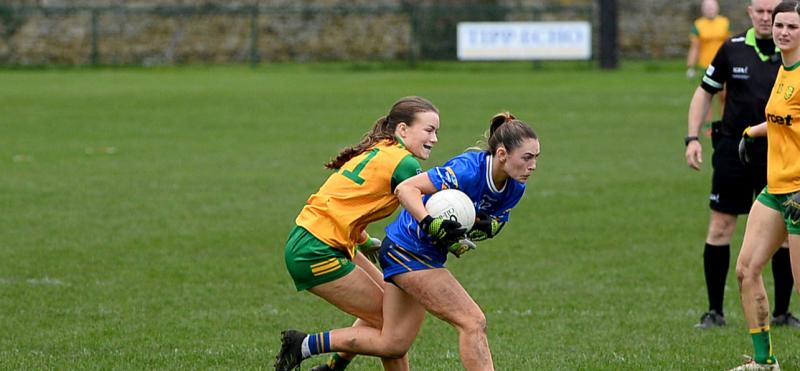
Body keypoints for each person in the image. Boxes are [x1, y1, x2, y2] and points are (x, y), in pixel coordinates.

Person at [274, 112, 539, 371]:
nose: (533, 165)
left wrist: (482, 227)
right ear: (502, 154)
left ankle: (313, 351)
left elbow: (495, 222)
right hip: (405, 250)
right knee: (472, 321)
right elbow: (405, 189)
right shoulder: (464, 169)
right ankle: (307, 346)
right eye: (527, 158)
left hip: (411, 252)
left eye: (536, 158)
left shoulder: (515, 187)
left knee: (393, 340)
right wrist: (431, 223)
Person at [279, 96, 441, 371]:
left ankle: (332, 368)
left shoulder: (382, 149)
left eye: (436, 131)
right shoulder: (405, 165)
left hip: (321, 238)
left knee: (389, 313)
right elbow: (431, 206)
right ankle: (304, 344)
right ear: (403, 129)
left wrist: (366, 242)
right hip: (316, 249)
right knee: (392, 328)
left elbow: (347, 199)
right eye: (429, 130)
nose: (434, 138)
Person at [685, 0, 798, 330]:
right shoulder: (737, 50)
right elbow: (706, 92)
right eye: (765, 15)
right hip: (742, 155)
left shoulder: (793, 60)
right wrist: (694, 137)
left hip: (789, 168)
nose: (772, 23)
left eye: (787, 22)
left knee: (791, 246)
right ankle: (718, 315)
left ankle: (783, 312)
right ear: (750, 13)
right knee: (732, 245)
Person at [729, 2, 800, 369]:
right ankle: (764, 362)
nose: (784, 31)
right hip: (776, 188)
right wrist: (752, 132)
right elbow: (783, 118)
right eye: (779, 24)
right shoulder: (785, 71)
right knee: (746, 269)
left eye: (792, 26)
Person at [687, 0, 730, 124]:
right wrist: (691, 66)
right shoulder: (698, 25)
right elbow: (695, 47)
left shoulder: (724, 22)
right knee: (706, 96)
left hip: (723, 65)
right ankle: (708, 124)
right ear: (703, 9)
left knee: (724, 96)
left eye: (712, 7)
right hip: (705, 65)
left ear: (717, 8)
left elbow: (729, 44)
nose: (710, 10)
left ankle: (724, 122)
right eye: (707, 7)